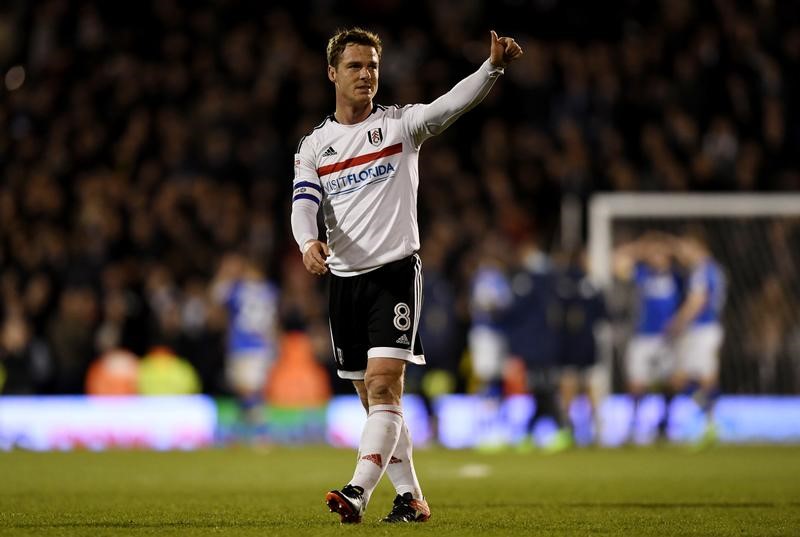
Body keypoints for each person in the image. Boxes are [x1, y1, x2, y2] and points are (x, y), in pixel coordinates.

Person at [291, 27, 522, 523]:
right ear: (332, 73)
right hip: (344, 281)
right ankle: (411, 498)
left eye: (372, 65)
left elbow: (448, 106)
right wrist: (308, 242)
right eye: (355, 66)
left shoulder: (399, 126)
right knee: (374, 401)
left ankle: (356, 491)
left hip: (394, 273)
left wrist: (492, 68)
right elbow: (303, 205)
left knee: (382, 387)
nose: (366, 74)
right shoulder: (314, 146)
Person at [614, 232, 682, 443]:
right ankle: (634, 424)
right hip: (642, 337)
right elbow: (617, 261)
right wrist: (642, 247)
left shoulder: (679, 276)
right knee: (636, 382)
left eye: (661, 253)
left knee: (669, 382)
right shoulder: (641, 274)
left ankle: (665, 423)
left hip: (667, 339)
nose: (657, 256)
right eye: (654, 253)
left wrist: (671, 244)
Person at [667, 233, 726, 445]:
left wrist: (677, 322)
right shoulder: (716, 269)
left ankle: (711, 423)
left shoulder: (701, 270)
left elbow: (697, 300)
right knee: (691, 377)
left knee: (692, 378)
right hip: (708, 328)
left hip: (701, 329)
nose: (682, 253)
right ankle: (710, 422)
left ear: (697, 246)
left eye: (685, 247)